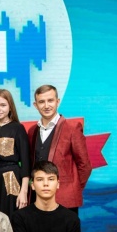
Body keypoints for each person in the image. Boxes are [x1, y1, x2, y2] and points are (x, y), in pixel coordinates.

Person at [27, 84, 92, 213]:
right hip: (37, 200)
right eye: (41, 102)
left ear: (57, 102)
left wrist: (73, 188)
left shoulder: (72, 128)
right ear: (35, 105)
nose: (46, 105)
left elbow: (84, 165)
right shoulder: (32, 131)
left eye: (50, 100)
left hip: (66, 201)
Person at [0, 89, 30, 219]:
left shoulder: (17, 128)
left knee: (11, 217)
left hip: (11, 178)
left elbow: (26, 161)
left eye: (3, 105)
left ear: (10, 107)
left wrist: (23, 191)